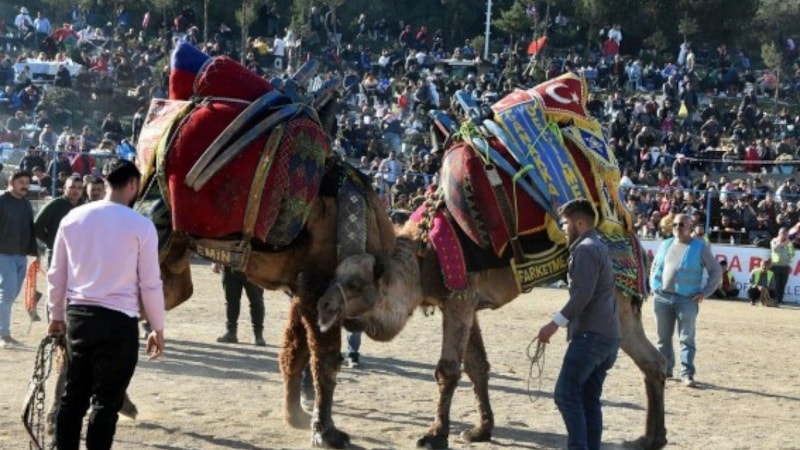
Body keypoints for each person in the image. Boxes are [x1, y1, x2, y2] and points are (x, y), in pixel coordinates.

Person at [47, 160, 165, 448]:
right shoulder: (141, 225)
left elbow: (56, 274)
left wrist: (56, 314)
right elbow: (150, 283)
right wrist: (157, 327)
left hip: (78, 316)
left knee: (72, 397)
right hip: (118, 321)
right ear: (133, 185)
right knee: (107, 400)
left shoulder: (73, 218)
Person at [538, 198, 620, 450]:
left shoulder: (584, 249)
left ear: (580, 223)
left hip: (590, 337)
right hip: (609, 338)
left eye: (565, 223)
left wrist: (554, 324)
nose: (563, 228)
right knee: (588, 400)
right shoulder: (597, 244)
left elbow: (582, 294)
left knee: (565, 394)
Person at [650, 214, 721, 388]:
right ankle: (666, 369)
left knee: (686, 338)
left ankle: (687, 374)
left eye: (681, 224)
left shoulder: (700, 247)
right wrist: (653, 286)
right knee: (663, 338)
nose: (677, 227)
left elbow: (716, 270)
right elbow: (654, 267)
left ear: (690, 227)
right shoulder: (665, 244)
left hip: (686, 300)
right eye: (674, 224)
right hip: (662, 297)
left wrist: (705, 292)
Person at [0, 170, 38, 348]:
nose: (24, 185)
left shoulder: (25, 204)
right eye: (21, 181)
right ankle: (4, 335)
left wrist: (34, 252)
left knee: (10, 295)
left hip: (21, 256)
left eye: (27, 182)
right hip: (3, 254)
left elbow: (29, 228)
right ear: (11, 182)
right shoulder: (2, 200)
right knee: (7, 295)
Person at [213, 263, 266, 346]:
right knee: (231, 301)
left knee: (256, 301)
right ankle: (231, 333)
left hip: (253, 265)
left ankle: (258, 335)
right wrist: (216, 260)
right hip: (230, 265)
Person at [770, 227, 794, 304]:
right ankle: (775, 299)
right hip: (775, 265)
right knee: (776, 284)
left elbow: (791, 253)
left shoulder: (789, 243)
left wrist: (788, 261)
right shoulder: (774, 240)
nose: (784, 235)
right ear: (779, 233)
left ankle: (780, 299)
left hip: (785, 266)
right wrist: (782, 244)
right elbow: (774, 249)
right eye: (782, 233)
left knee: (783, 284)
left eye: (785, 234)